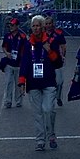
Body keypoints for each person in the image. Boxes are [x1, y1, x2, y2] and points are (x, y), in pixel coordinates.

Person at [17, 15, 62, 150]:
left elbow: (59, 63)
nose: (36, 28)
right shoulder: (27, 43)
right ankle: (40, 140)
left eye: (38, 25)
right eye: (33, 26)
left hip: (48, 81)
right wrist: (21, 81)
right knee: (37, 112)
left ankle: (51, 134)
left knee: (48, 109)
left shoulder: (50, 41)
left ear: (43, 27)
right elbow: (24, 63)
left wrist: (49, 51)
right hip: (33, 82)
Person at [0, 18, 28, 108]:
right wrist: (6, 53)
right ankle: (8, 101)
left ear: (17, 26)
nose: (11, 27)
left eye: (13, 25)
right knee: (8, 82)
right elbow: (3, 47)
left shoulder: (23, 37)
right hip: (9, 62)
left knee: (18, 83)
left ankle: (18, 101)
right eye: (10, 25)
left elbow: (27, 49)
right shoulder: (7, 36)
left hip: (19, 63)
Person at [44, 16, 67, 106]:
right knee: (49, 82)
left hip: (57, 60)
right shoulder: (42, 34)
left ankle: (58, 97)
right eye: (46, 24)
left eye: (50, 23)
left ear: (53, 24)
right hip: (46, 61)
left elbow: (63, 46)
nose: (48, 25)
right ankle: (50, 98)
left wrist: (63, 56)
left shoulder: (58, 33)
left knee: (60, 81)